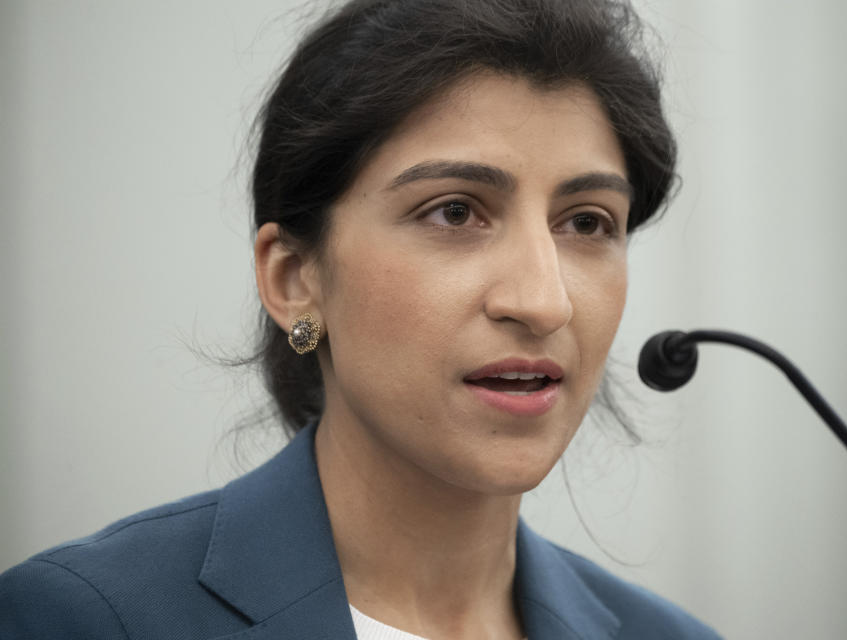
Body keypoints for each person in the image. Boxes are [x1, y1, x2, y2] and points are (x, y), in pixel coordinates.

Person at [0, 0, 721, 637]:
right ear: (294, 280)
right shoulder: (81, 619)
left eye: (588, 223)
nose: (543, 301)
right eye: (455, 211)